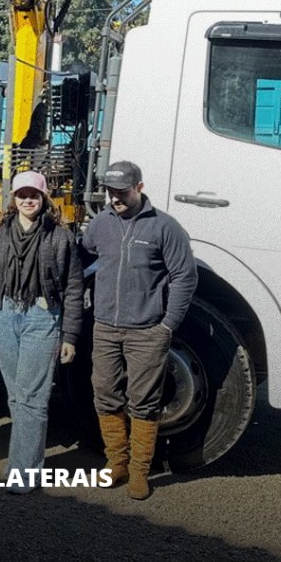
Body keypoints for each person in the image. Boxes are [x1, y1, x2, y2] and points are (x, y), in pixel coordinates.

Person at [80, 160, 197, 500]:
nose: (115, 198)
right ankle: (116, 463)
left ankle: (139, 472)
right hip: (105, 327)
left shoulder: (164, 227)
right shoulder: (100, 224)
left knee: (143, 403)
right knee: (105, 394)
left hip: (147, 331)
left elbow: (185, 277)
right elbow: (84, 257)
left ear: (139, 188)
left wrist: (167, 325)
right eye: (110, 192)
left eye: (122, 192)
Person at [0, 170, 83, 494]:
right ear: (14, 199)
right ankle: (27, 463)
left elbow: (73, 287)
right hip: (5, 315)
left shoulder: (60, 237)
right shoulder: (0, 235)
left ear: (44, 198)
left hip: (42, 315)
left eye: (33, 195)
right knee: (16, 396)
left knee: (32, 398)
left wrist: (70, 335)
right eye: (22, 195)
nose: (27, 200)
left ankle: (23, 472)